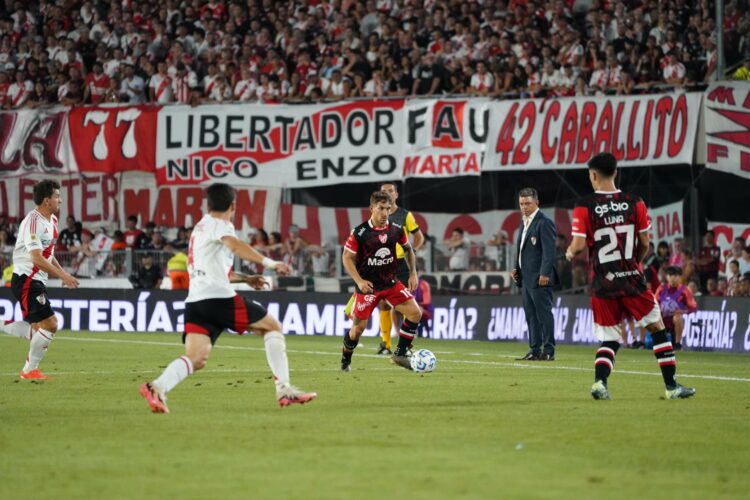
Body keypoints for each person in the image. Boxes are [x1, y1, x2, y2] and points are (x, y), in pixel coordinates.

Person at [139, 183, 316, 413]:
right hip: (218, 299)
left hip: (196, 303)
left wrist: (247, 278)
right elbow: (234, 245)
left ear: (207, 204)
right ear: (233, 205)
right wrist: (270, 263)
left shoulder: (200, 228)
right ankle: (284, 389)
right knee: (272, 326)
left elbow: (220, 272)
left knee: (196, 357)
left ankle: (157, 387)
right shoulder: (222, 225)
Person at [566, 152, 695, 400]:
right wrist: (635, 263)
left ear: (593, 175)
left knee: (611, 338)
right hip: (632, 281)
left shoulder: (584, 205)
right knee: (657, 329)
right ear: (616, 172)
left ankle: (600, 383)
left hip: (603, 284)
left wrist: (570, 252)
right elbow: (645, 242)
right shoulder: (635, 202)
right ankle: (671, 387)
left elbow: (579, 245)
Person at [0, 180, 80, 379]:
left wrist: (63, 273)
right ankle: (29, 370)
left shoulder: (52, 220)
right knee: (51, 324)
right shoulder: (32, 222)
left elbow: (48, 254)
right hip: (27, 279)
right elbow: (36, 257)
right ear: (46, 200)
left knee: (37, 329)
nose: (60, 200)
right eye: (57, 196)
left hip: (36, 280)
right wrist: (64, 276)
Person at [340, 190, 422, 372]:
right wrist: (359, 281)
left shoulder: (395, 229)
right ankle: (345, 360)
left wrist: (413, 273)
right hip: (368, 287)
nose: (385, 213)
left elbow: (408, 249)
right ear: (371, 208)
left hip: (390, 283)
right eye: (381, 208)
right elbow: (346, 257)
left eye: (388, 208)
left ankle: (399, 354)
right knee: (358, 330)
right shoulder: (360, 233)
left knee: (415, 313)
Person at [375, 182, 423, 355]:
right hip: (383, 264)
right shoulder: (378, 215)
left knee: (402, 304)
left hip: (401, 264)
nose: (386, 194)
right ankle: (385, 344)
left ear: (396, 195)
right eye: (383, 192)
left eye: (389, 191)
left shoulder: (405, 215)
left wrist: (412, 251)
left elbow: (419, 236)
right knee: (383, 304)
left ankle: (405, 345)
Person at [512, 187, 558, 361]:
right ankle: (534, 350)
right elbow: (521, 250)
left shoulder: (544, 222)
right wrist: (517, 268)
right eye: (522, 204)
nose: (524, 207)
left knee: (544, 314)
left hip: (540, 277)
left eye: (528, 203)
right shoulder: (524, 222)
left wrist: (545, 273)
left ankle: (549, 350)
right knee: (531, 315)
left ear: (537, 203)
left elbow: (549, 251)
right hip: (526, 278)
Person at [656, 266, 698, 351]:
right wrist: (659, 311)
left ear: (680, 277)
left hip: (676, 320)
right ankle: (659, 342)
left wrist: (682, 311)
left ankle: (677, 344)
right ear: (667, 277)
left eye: (675, 276)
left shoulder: (685, 290)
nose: (673, 278)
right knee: (655, 317)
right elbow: (654, 304)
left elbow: (693, 307)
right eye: (670, 275)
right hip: (662, 318)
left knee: (677, 317)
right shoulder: (661, 288)